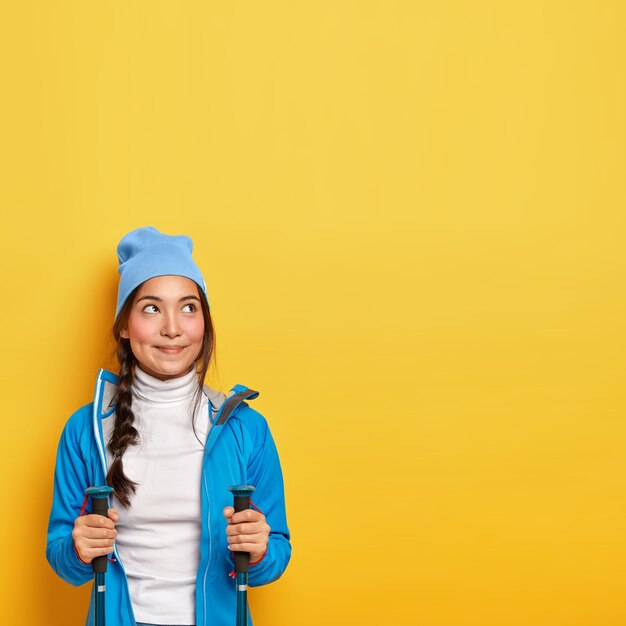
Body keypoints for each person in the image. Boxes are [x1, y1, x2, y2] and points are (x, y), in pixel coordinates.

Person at [46, 226, 291, 626]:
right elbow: (63, 559)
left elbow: (276, 555)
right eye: (151, 308)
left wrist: (260, 549)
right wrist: (78, 549)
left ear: (205, 322)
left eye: (189, 307)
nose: (173, 328)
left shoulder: (246, 428)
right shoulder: (85, 429)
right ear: (124, 325)